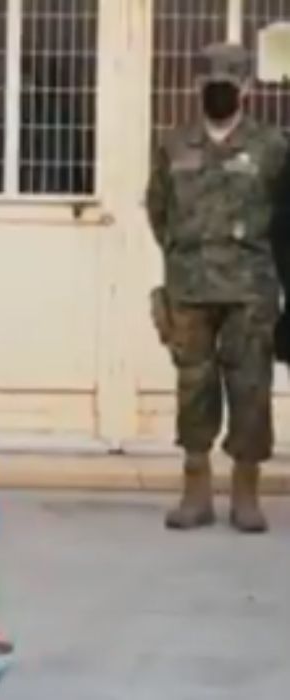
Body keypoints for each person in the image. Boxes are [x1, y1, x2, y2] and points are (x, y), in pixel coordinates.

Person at [145, 42, 286, 534]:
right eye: (211, 84)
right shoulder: (173, 145)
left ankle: (246, 492)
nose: (220, 92)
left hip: (251, 292)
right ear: (196, 86)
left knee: (251, 389)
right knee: (193, 389)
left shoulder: (273, 147)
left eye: (229, 83)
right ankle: (196, 491)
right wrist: (185, 257)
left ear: (246, 87)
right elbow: (157, 211)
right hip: (190, 289)